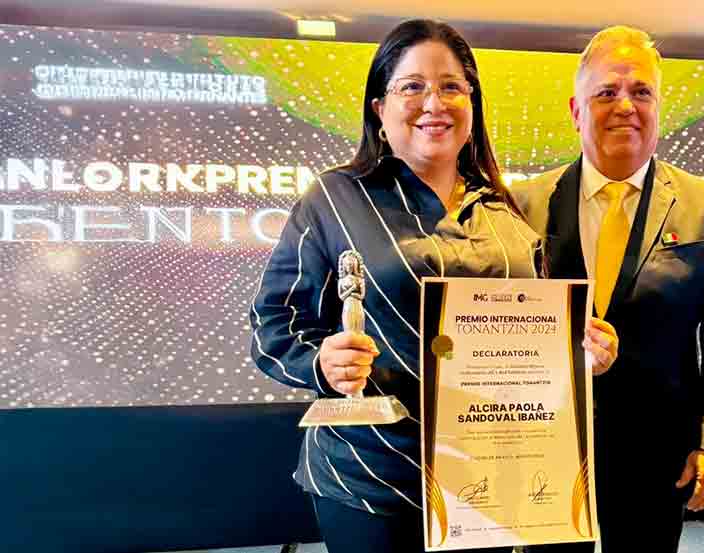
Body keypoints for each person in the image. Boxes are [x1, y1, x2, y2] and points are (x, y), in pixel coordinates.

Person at [249, 19, 618, 553]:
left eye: (451, 87)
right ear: (380, 108)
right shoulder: (334, 198)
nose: (434, 103)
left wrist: (582, 352)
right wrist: (321, 363)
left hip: (491, 476)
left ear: (473, 104)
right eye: (412, 86)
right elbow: (273, 326)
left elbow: (539, 338)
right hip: (375, 480)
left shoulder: (506, 213)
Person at [510, 26, 704, 552]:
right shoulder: (521, 204)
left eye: (641, 91)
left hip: (658, 454)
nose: (625, 106)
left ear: (658, 107)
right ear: (576, 110)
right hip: (544, 444)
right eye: (606, 92)